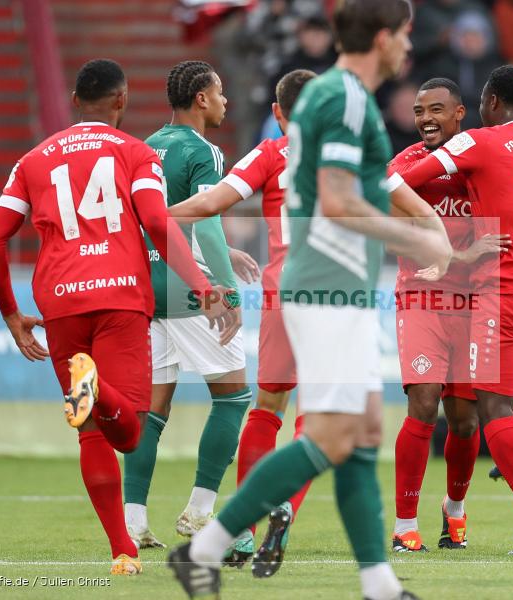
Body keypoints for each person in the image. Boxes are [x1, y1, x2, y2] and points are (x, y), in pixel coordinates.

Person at [168, 1, 452, 597]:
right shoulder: (345, 101)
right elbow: (343, 203)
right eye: (403, 33)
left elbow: (356, 193)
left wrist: (433, 234)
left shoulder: (334, 103)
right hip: (324, 286)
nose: (409, 44)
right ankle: (209, 548)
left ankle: (377, 581)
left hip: (328, 285)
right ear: (382, 37)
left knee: (361, 431)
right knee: (333, 433)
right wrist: (423, 240)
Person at [0, 59, 232, 575]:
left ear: (75, 99)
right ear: (121, 101)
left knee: (90, 432)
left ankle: (123, 549)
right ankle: (98, 389)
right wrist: (203, 287)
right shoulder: (135, 153)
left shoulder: (31, 161)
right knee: (130, 432)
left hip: (60, 303)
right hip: (119, 297)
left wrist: (11, 314)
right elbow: (158, 223)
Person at [401, 65, 513, 554]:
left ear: (490, 101)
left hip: (503, 281)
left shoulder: (480, 140)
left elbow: (409, 179)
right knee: (493, 376)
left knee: (489, 405)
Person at [162, 68, 318, 564]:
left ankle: (245, 528)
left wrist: (157, 217)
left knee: (267, 407)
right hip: (337, 295)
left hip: (282, 291)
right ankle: (283, 510)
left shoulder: (271, 152)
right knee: (318, 421)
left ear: (277, 114)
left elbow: (214, 201)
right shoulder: (353, 153)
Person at [122, 61, 253, 552]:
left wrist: (227, 254)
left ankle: (133, 522)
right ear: (201, 98)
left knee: (152, 409)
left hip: (144, 288)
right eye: (220, 94)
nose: (225, 103)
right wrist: (225, 290)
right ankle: (199, 512)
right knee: (234, 397)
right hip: (186, 289)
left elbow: (156, 219)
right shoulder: (204, 151)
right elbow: (208, 220)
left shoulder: (144, 146)